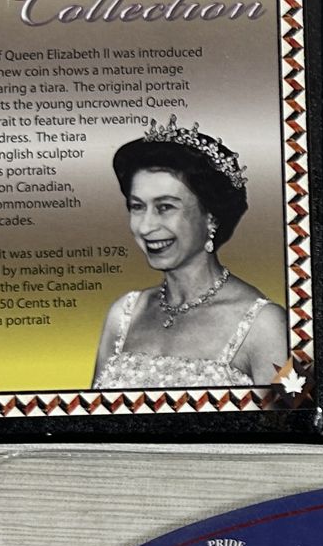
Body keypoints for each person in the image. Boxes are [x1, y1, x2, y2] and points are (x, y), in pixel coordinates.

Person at [92, 119, 288, 389]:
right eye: (137, 207)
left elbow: (295, 414)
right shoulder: (124, 314)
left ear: (211, 216)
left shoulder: (265, 325)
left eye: (165, 207)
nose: (146, 227)